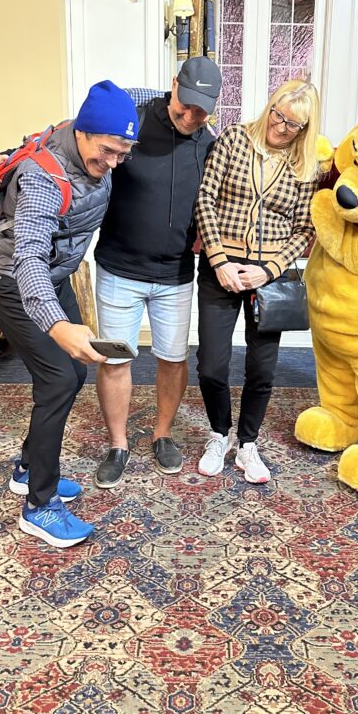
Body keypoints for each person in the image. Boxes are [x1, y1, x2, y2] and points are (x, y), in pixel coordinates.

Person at [0, 80, 139, 548]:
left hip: (56, 276)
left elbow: (135, 100)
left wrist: (179, 97)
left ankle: (28, 470)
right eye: (107, 151)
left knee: (73, 370)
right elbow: (27, 257)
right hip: (12, 283)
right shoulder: (47, 180)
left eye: (123, 153)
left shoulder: (95, 131)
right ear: (83, 132)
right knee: (59, 378)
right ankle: (38, 505)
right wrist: (57, 324)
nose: (113, 163)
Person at [94, 56, 221, 488]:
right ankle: (118, 443)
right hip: (118, 269)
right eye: (184, 105)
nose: (189, 117)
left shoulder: (211, 143)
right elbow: (84, 139)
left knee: (173, 359)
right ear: (174, 86)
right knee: (115, 359)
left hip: (176, 275)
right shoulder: (133, 119)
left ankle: (162, 434)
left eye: (201, 111)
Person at [194, 79, 321, 484]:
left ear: (305, 129)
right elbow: (205, 201)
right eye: (278, 115)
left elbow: (304, 230)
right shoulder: (233, 140)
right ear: (270, 106)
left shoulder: (306, 168)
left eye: (292, 125)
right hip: (222, 268)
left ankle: (247, 444)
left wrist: (268, 270)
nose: (280, 127)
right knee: (212, 365)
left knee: (262, 369)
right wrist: (219, 261)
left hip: (269, 280)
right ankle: (219, 434)